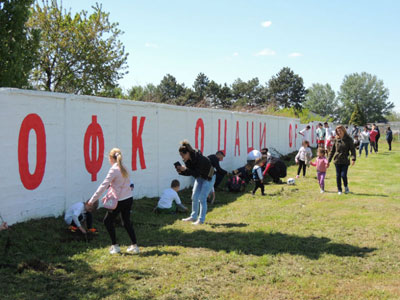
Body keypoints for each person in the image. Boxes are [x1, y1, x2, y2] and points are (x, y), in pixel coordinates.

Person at [89, 148, 139, 255]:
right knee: (126, 222)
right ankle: (134, 246)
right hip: (128, 198)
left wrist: (92, 200)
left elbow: (104, 185)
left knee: (107, 221)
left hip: (119, 201)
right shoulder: (124, 167)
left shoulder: (114, 169)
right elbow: (129, 183)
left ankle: (115, 246)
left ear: (111, 158)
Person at [176, 140, 215, 225]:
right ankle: (193, 217)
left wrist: (185, 169)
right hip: (200, 177)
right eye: (181, 155)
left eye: (183, 155)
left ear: (188, 153)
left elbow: (196, 172)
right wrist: (181, 171)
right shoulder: (188, 160)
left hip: (209, 177)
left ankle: (201, 220)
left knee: (202, 198)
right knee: (194, 197)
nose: (182, 157)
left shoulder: (199, 158)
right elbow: (192, 173)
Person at [328, 125, 356, 195]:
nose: (339, 132)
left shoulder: (348, 139)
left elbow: (352, 149)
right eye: (337, 131)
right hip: (337, 160)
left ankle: (346, 187)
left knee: (343, 175)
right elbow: (332, 151)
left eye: (340, 130)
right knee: (338, 175)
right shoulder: (336, 139)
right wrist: (328, 160)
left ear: (343, 130)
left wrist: (353, 158)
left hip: (345, 160)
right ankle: (339, 189)